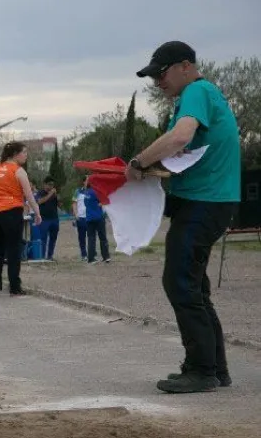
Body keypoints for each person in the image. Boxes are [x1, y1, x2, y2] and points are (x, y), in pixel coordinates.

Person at [129, 41, 240, 393]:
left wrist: (139, 162)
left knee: (179, 282)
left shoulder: (197, 91)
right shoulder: (199, 95)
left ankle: (201, 369)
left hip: (204, 203)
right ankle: (215, 368)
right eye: (153, 77)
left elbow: (180, 137)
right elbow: (188, 152)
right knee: (194, 287)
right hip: (208, 201)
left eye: (161, 74)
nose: (157, 82)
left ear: (186, 66)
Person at [0, 142, 42, 295]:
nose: (26, 155)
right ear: (16, 154)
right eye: (24, 153)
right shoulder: (19, 171)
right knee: (13, 249)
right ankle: (15, 287)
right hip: (10, 211)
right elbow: (29, 195)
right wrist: (37, 212)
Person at [81, 178, 111, 264]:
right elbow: (105, 201)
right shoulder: (96, 192)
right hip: (98, 217)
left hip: (89, 218)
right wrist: (100, 203)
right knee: (103, 238)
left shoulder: (86, 193)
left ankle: (91, 258)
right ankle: (106, 257)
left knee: (91, 238)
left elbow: (87, 204)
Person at [35, 177, 59, 261]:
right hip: (44, 219)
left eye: (52, 185)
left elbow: (59, 204)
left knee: (53, 238)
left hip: (54, 218)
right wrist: (50, 194)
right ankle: (42, 256)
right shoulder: (40, 192)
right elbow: (39, 201)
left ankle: (50, 256)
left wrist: (56, 196)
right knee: (43, 238)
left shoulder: (54, 193)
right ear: (44, 184)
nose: (51, 187)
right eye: (49, 184)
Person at [71, 184, 88, 261]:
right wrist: (76, 214)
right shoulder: (77, 191)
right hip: (81, 217)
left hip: (90, 217)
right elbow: (74, 203)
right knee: (82, 237)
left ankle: (92, 253)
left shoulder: (92, 190)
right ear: (83, 182)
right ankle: (84, 254)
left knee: (91, 237)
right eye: (87, 180)